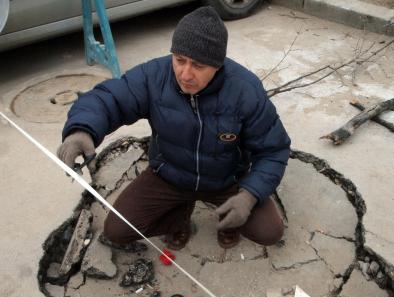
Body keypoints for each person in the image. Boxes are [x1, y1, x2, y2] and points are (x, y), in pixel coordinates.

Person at [57, 6, 291, 250]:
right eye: (179, 60)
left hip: (226, 179)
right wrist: (81, 129)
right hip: (169, 175)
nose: (185, 74)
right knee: (118, 230)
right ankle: (177, 220)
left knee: (269, 231)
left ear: (218, 65)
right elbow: (110, 99)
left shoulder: (245, 90)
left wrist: (249, 195)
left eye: (198, 66)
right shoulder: (153, 76)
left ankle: (229, 221)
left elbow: (274, 149)